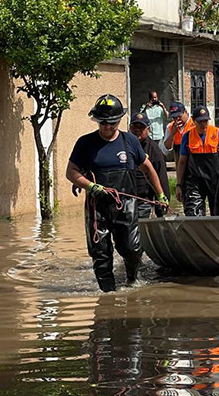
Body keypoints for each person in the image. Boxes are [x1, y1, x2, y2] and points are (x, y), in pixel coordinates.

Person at [66, 94, 168, 292]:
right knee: (101, 253)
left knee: (131, 249)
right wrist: (91, 186)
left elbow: (148, 169)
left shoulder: (129, 141)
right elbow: (71, 172)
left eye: (112, 123)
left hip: (126, 206)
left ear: (119, 121)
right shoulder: (85, 143)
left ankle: (132, 280)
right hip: (98, 208)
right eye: (103, 123)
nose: (107, 127)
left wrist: (160, 194)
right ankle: (108, 294)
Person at [176, 105, 219, 216]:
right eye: (200, 121)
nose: (203, 124)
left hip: (217, 180)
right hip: (195, 180)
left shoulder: (218, 134)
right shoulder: (187, 137)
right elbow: (182, 161)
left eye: (205, 121)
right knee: (193, 213)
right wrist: (179, 185)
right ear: (193, 120)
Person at [129, 111, 170, 219]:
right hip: (124, 199)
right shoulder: (123, 144)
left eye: (141, 128)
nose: (137, 130)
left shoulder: (154, 150)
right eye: (134, 127)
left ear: (148, 129)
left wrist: (162, 201)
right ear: (129, 128)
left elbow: (162, 177)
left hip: (143, 201)